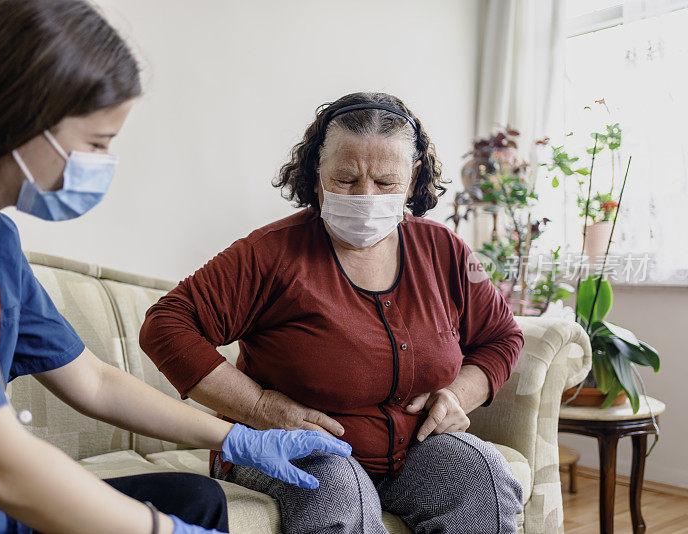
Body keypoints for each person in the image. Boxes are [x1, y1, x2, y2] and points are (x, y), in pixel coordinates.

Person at [0, 2, 351, 533]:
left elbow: (94, 382)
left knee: (191, 498)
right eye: (96, 143)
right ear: (24, 118)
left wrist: (237, 437)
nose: (102, 164)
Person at [140, 92, 527, 533]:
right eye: (345, 179)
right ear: (317, 173)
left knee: (483, 478)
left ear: (414, 174)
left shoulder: (446, 250)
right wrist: (260, 406)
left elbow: (502, 336)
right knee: (336, 489)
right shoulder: (270, 253)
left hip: (413, 449)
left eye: (385, 183)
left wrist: (460, 395)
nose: (365, 196)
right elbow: (166, 325)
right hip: (296, 446)